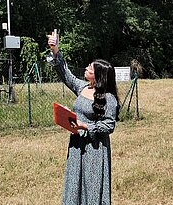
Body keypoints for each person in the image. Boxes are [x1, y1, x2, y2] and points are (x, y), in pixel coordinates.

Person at [47, 33, 120, 205]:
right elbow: (67, 76)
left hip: (94, 149)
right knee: (74, 184)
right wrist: (55, 49)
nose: (87, 67)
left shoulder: (109, 98)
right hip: (76, 144)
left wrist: (85, 126)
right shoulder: (83, 87)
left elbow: (109, 125)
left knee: (92, 187)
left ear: (98, 76)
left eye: (90, 68)